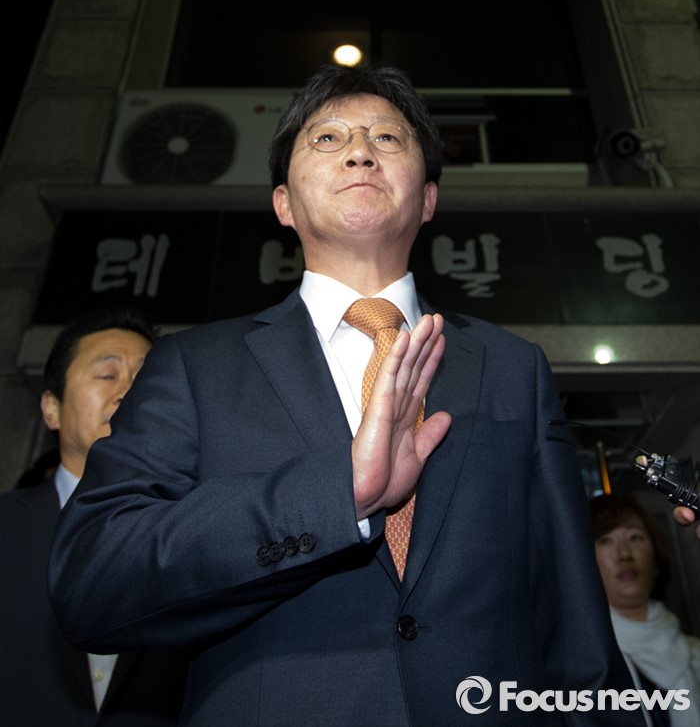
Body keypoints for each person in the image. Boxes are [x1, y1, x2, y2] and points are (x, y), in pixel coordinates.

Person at [48, 64, 645, 726]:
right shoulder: (192, 366)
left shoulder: (514, 368)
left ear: (428, 199)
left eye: (388, 138)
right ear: (283, 203)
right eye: (328, 139)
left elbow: (573, 618)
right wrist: (341, 494)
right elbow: (93, 584)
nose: (361, 152)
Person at [0, 307, 191, 727]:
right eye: (107, 374)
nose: (129, 391)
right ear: (51, 409)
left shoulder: (195, 530)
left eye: (146, 377)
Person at [590, 493, 700, 727]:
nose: (624, 554)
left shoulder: (695, 654)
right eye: (606, 541)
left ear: (656, 556)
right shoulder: (587, 666)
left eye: (635, 538)